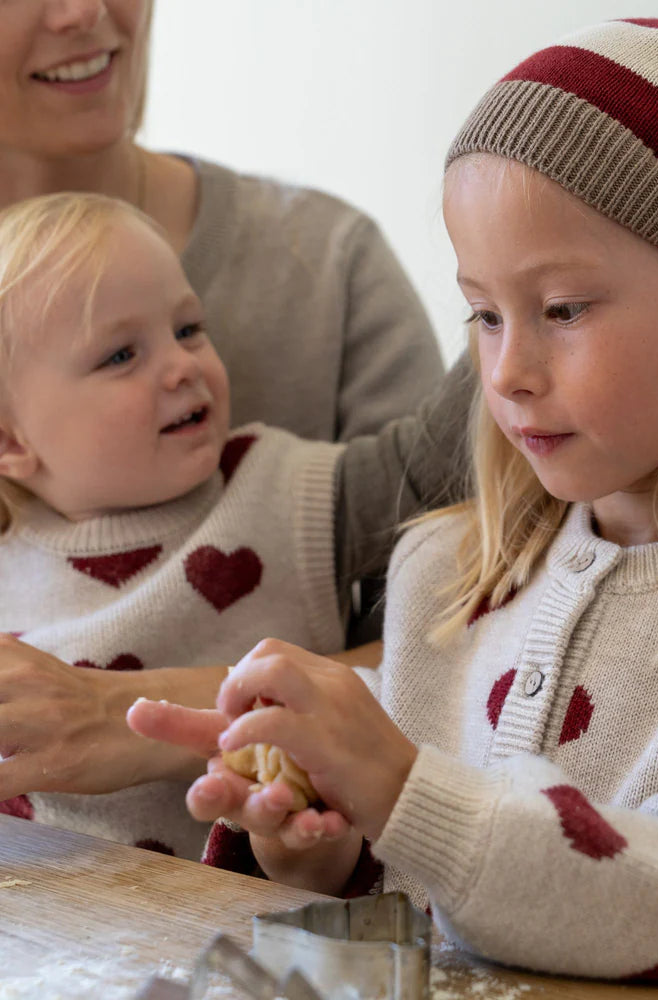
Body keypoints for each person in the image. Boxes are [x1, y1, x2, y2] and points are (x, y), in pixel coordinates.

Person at [129, 17, 658, 999]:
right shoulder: (452, 574)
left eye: (562, 308)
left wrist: (406, 793)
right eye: (482, 312)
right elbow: (426, 901)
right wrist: (327, 848)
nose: (506, 372)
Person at [0, 0, 461, 815]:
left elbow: (472, 661)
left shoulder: (328, 270)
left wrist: (140, 717)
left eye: (190, 328)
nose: (81, 11)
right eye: (118, 353)